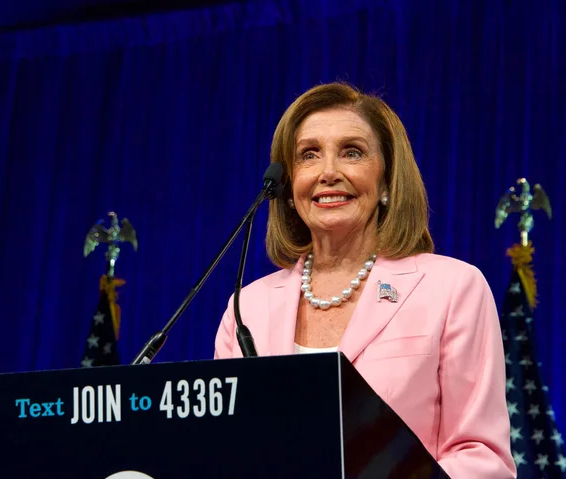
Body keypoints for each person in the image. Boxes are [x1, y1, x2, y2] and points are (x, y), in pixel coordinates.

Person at [214, 82, 516, 478]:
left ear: (387, 181)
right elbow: (226, 452)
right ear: (288, 189)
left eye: (351, 152)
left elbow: (481, 458)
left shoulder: (452, 289)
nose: (328, 172)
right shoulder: (247, 309)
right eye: (309, 155)